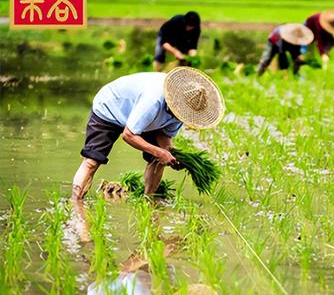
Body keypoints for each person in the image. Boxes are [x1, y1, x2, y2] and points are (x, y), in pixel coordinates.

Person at [70, 67, 225, 240]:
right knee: (92, 162)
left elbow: (164, 136)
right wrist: (159, 151)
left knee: (158, 160)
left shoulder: (183, 112)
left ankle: (149, 202)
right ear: (174, 102)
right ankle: (76, 208)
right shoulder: (153, 99)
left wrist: (170, 154)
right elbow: (128, 135)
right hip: (111, 109)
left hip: (144, 119)